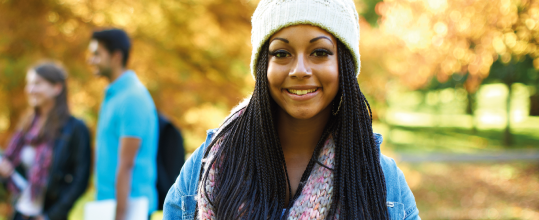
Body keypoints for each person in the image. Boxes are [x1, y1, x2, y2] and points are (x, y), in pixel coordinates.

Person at [163, 0, 420, 219]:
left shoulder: (382, 180)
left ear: (344, 65)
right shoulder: (209, 165)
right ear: (264, 65)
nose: (300, 70)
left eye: (319, 52)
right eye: (282, 53)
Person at [0, 62, 92, 220]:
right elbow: (15, 173)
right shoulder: (27, 127)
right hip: (19, 212)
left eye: (37, 84)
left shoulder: (75, 129)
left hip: (48, 215)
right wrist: (3, 173)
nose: (30, 90)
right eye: (29, 84)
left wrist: (51, 216)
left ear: (57, 88)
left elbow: (80, 181)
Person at [87, 28, 159, 219]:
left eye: (96, 54)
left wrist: (119, 215)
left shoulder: (132, 98)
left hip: (129, 209)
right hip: (108, 206)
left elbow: (127, 163)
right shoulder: (113, 95)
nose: (90, 60)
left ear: (116, 56)